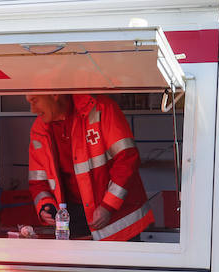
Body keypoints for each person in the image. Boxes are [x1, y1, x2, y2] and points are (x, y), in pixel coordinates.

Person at [27, 94, 154, 241]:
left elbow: (127, 159)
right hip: (74, 221)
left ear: (54, 94)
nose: (32, 109)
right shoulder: (39, 128)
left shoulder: (101, 109)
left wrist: (108, 206)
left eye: (34, 100)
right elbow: (37, 181)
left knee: (121, 264)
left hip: (119, 221)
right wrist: (46, 206)